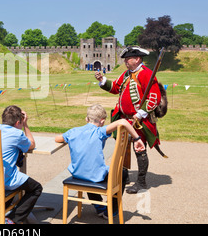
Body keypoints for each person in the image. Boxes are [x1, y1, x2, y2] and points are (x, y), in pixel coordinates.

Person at [55, 104, 146, 218]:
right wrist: (137, 139)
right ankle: (111, 210)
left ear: (86, 119)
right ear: (102, 121)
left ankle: (99, 208)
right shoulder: (100, 132)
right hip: (94, 175)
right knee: (122, 173)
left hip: (77, 174)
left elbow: (57, 139)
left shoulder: (73, 131)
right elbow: (123, 122)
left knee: (88, 172)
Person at [95, 46, 161, 194]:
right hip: (124, 119)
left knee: (139, 149)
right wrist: (102, 80)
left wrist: (141, 113)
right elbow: (115, 87)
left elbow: (154, 97)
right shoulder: (126, 74)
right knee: (122, 148)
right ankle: (123, 176)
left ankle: (141, 182)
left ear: (137, 59)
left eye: (128, 59)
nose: (125, 61)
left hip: (139, 120)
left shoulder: (146, 74)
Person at [0, 105, 43, 224]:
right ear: (18, 122)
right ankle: (13, 219)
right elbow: (31, 144)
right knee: (36, 188)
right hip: (4, 180)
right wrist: (26, 125)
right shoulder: (17, 134)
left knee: (14, 185)